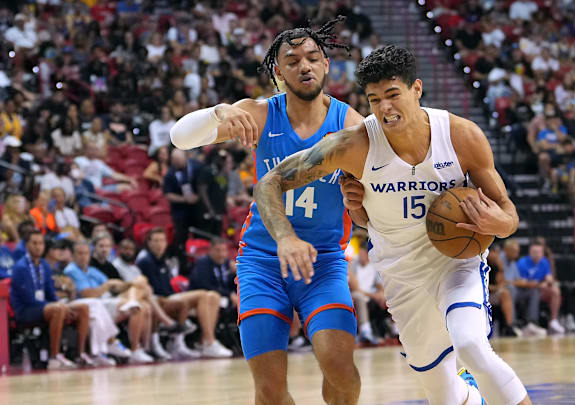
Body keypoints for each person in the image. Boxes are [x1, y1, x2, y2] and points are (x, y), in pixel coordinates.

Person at [252, 45, 531, 405]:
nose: (385, 107)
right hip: (401, 274)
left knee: (472, 346)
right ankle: (470, 398)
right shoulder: (353, 145)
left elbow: (509, 215)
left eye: (393, 95)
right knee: (442, 394)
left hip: (455, 261)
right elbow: (269, 181)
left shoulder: (461, 136)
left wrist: (499, 221)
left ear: (416, 89)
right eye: (374, 99)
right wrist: (287, 236)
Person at [170, 18, 365, 404]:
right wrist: (218, 113)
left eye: (312, 57)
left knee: (341, 369)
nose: (304, 66)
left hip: (323, 260)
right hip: (263, 259)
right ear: (277, 72)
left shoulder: (352, 125)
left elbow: (373, 200)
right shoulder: (258, 114)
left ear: (327, 64)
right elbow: (179, 137)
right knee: (270, 391)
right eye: (292, 61)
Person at [136, 228, 232, 358]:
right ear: (148, 243)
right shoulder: (145, 261)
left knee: (213, 296)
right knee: (204, 294)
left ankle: (206, 341)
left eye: (162, 240)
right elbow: (151, 289)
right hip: (157, 300)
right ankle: (208, 342)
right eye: (156, 241)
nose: (160, 244)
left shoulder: (164, 259)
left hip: (169, 297)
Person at [63, 240, 154, 364]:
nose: (84, 257)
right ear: (73, 255)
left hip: (107, 300)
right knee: (139, 307)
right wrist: (107, 286)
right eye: (80, 253)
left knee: (141, 283)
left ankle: (132, 302)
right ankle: (134, 349)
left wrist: (131, 284)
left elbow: (115, 286)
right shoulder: (71, 270)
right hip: (93, 305)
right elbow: (87, 294)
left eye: (86, 253)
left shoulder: (92, 270)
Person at [10, 230, 91, 369]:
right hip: (26, 310)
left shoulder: (44, 265)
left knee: (83, 307)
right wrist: (58, 306)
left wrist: (61, 304)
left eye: (40, 243)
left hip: (45, 306)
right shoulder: (21, 267)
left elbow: (51, 294)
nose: (38, 246)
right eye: (34, 243)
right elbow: (29, 299)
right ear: (26, 246)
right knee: (58, 309)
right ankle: (54, 357)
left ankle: (80, 354)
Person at [348, 237, 388, 344]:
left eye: (364, 253)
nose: (362, 255)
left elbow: (380, 286)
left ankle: (391, 328)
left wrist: (380, 294)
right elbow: (354, 288)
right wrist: (373, 295)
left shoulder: (374, 264)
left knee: (386, 296)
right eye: (360, 253)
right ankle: (365, 331)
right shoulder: (352, 263)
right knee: (359, 297)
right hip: (355, 294)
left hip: (370, 296)